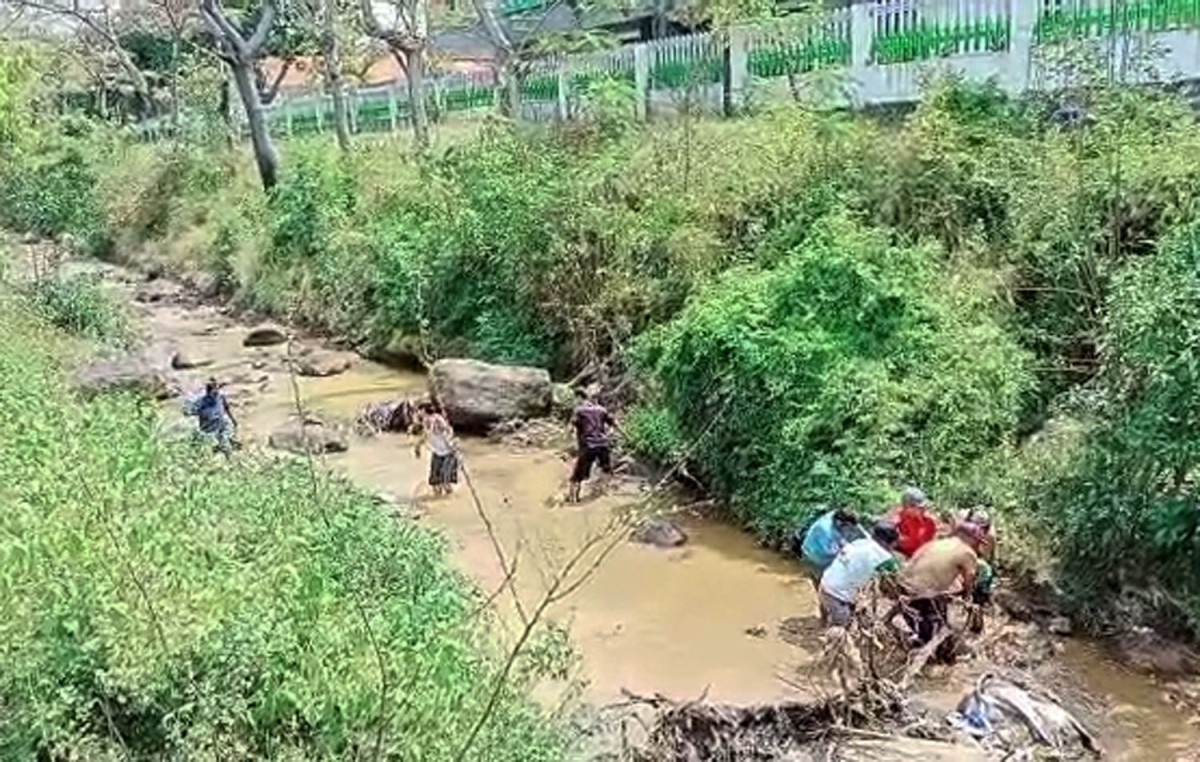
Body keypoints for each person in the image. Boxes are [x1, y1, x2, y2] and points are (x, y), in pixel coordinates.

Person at [896, 520, 989, 662]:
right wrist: (967, 596)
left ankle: (920, 638)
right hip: (924, 594)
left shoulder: (935, 543)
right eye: (977, 541)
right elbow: (969, 578)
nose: (978, 545)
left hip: (902, 587)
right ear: (968, 537)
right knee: (938, 626)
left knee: (926, 617)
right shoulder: (967, 552)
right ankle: (939, 656)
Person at [819, 521, 901, 627]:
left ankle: (822, 625)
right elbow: (897, 581)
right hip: (837, 596)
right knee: (843, 629)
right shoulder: (884, 558)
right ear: (893, 543)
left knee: (830, 616)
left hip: (825, 583)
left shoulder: (860, 542)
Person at [567, 388, 617, 504]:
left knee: (576, 477)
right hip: (603, 445)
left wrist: (568, 438)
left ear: (579, 398)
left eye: (575, 399)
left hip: (588, 446)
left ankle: (572, 500)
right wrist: (627, 436)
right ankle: (602, 493)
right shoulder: (602, 410)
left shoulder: (579, 410)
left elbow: (570, 428)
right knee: (606, 470)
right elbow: (615, 424)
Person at [795, 508, 863, 591]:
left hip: (820, 547)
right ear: (840, 522)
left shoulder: (835, 514)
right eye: (847, 526)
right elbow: (831, 552)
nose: (849, 528)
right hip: (814, 557)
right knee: (822, 583)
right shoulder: (825, 530)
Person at [414, 402, 457, 498]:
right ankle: (444, 501)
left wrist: (417, 447)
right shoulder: (436, 418)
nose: (418, 413)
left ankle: (446, 501)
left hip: (448, 453)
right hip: (438, 453)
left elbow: (426, 434)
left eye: (419, 411)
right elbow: (449, 430)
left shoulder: (430, 419)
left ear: (423, 411)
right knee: (437, 481)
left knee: (443, 481)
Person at [187, 377, 237, 456]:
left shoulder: (220, 396)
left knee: (225, 442)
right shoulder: (201, 401)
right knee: (210, 448)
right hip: (208, 427)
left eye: (216, 390)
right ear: (208, 392)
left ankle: (229, 455)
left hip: (221, 423)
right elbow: (190, 413)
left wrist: (233, 419)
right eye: (213, 391)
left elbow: (226, 408)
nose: (216, 393)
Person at [888, 487, 937, 558]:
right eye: (919, 508)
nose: (923, 510)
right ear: (906, 507)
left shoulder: (929, 521)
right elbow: (887, 547)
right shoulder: (895, 522)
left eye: (924, 507)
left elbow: (931, 543)